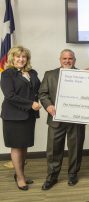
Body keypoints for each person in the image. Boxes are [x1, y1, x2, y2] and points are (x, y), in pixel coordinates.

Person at [39, 49, 86, 190]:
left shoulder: (83, 75)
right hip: (56, 119)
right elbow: (42, 94)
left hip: (76, 120)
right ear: (60, 60)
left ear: (74, 60)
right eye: (64, 58)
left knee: (76, 148)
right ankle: (52, 177)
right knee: (53, 150)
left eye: (70, 58)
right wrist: (48, 106)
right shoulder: (50, 75)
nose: (67, 61)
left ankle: (72, 174)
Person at [0, 46, 41, 191]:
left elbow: (41, 90)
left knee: (24, 146)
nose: (21, 59)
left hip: (28, 116)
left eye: (23, 57)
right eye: (18, 56)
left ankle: (20, 173)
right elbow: (10, 96)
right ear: (12, 58)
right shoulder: (7, 74)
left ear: (27, 59)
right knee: (17, 146)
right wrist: (31, 104)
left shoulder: (32, 73)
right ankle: (20, 177)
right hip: (13, 116)